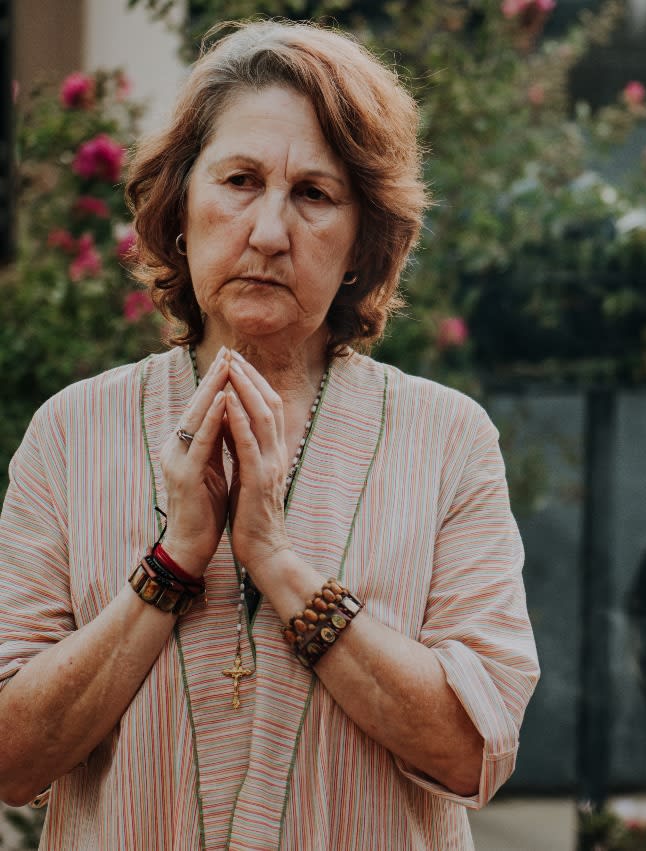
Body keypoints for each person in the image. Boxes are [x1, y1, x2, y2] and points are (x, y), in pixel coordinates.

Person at [0, 19, 539, 849]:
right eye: (240, 180)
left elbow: (475, 748)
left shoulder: (446, 440)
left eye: (315, 195)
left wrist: (281, 564)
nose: (269, 231)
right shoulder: (71, 434)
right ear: (179, 206)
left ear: (363, 241)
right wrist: (172, 562)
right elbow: (6, 755)